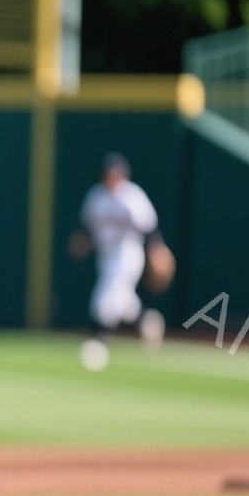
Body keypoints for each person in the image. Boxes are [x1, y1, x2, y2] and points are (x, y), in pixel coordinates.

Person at [69, 152, 166, 371]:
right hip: (105, 255)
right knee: (121, 301)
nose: (113, 177)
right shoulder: (96, 196)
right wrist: (83, 242)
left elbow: (149, 228)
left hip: (128, 254)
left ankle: (97, 342)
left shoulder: (132, 196)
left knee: (104, 297)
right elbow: (89, 229)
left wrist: (157, 251)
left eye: (117, 173)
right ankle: (145, 321)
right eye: (109, 173)